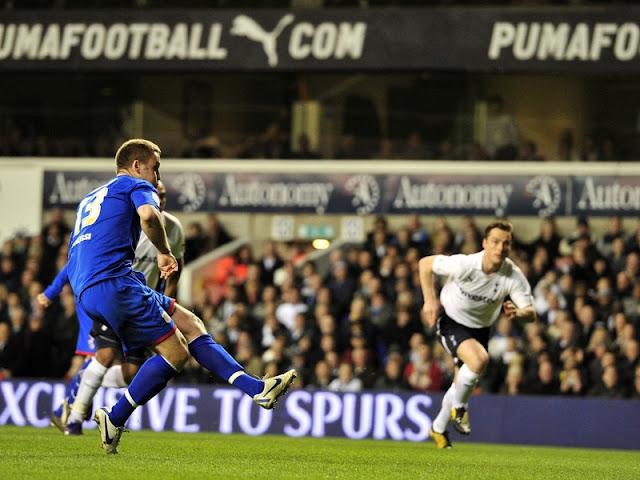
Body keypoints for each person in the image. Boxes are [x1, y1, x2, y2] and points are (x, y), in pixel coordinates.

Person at [66, 138, 296, 454]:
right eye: (155, 168)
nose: (158, 178)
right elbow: (148, 216)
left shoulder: (91, 198)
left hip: (91, 289)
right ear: (136, 166)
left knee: (190, 323)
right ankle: (114, 417)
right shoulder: (135, 185)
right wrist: (164, 252)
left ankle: (258, 389)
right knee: (176, 354)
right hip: (115, 285)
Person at [41, 180, 186, 435]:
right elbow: (78, 259)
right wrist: (52, 291)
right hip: (114, 293)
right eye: (156, 193)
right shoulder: (126, 217)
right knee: (105, 355)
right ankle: (74, 417)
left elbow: (177, 266)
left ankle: (73, 399)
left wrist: (168, 298)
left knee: (131, 373)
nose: (159, 198)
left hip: (144, 303)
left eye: (162, 195)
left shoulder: (172, 228)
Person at [419, 220, 535, 449]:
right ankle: (460, 409)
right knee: (479, 360)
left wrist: (519, 313)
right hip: (451, 319)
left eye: (506, 243)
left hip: (480, 329)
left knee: (461, 380)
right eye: (495, 242)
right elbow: (425, 264)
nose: (500, 248)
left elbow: (531, 314)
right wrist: (429, 301)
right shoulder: (465, 265)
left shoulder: (512, 275)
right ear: (484, 243)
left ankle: (438, 428)